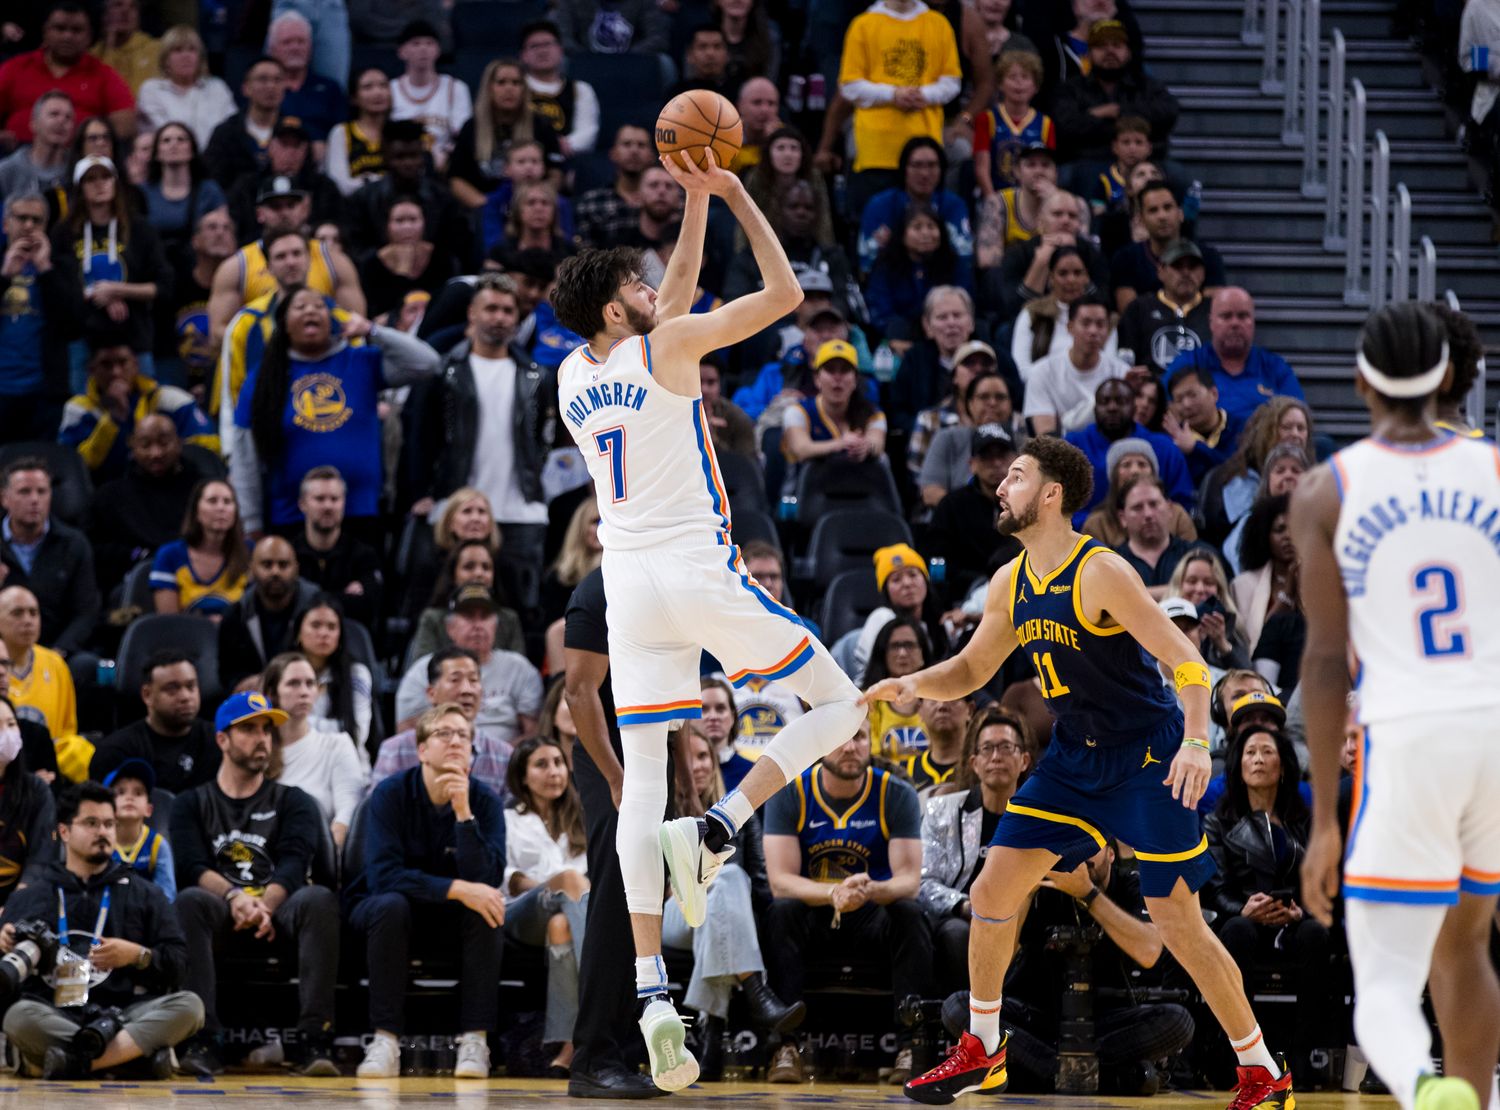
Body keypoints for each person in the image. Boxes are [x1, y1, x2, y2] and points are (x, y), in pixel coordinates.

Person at [550, 149, 869, 1090]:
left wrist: (691, 204)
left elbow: (673, 297)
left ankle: (653, 993)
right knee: (841, 707)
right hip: (695, 569)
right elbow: (785, 291)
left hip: (626, 582)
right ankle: (725, 824)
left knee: (642, 783)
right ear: (619, 306)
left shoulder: (575, 372)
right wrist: (733, 195)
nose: (655, 286)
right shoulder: (671, 348)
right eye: (636, 284)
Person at [867, 436, 1295, 1108]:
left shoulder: (1101, 572)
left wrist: (1193, 740)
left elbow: (1184, 658)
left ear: (1050, 494)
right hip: (1073, 754)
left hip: (1147, 753)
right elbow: (975, 669)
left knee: (1177, 920)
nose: (1001, 487)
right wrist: (912, 683)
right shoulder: (1009, 580)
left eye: (1015, 476)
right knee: (992, 891)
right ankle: (983, 1047)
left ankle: (1261, 1068)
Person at [1293, 301, 1500, 1110]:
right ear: (1447, 377)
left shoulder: (1324, 490)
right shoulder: (1494, 470)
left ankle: (1424, 1088)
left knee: (1382, 975)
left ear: (1360, 380)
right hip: (1493, 725)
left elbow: (1319, 660)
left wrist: (1321, 821)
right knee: (1467, 945)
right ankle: (1477, 1103)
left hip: (1409, 731)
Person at [170, 691, 339, 1077]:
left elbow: (296, 863)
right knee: (189, 901)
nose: (262, 737)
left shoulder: (295, 801)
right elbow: (192, 865)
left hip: (277, 914)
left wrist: (264, 905)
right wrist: (235, 897)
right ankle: (203, 1038)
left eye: (267, 729)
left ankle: (315, 1039)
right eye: (248, 729)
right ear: (221, 740)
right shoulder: (190, 803)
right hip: (221, 911)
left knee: (318, 899)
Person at [761, 716, 929, 1085]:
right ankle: (785, 1047)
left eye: (860, 738)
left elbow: (909, 881)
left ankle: (909, 1046)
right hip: (816, 914)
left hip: (872, 913)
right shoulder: (791, 793)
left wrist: (869, 890)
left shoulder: (896, 793)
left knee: (910, 912)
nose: (851, 746)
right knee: (781, 911)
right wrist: (833, 893)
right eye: (840, 737)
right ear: (820, 744)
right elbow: (781, 881)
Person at [347, 702, 507, 1080]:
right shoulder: (389, 794)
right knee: (391, 904)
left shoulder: (485, 801)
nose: (455, 742)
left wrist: (463, 814)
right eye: (443, 734)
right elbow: (383, 876)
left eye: (463, 736)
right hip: (384, 911)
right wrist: (456, 888)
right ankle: (385, 1041)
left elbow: (487, 878)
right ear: (421, 750)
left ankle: (474, 1041)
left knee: (487, 907)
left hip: (448, 919)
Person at [0, 780, 200, 1079]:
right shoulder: (30, 897)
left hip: (126, 1013)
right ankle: (133, 1059)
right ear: (64, 831)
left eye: (109, 823)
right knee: (18, 1017)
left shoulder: (145, 894)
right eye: (91, 823)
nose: (103, 832)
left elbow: (180, 965)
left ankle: (66, 1063)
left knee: (190, 1007)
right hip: (56, 1013)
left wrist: (138, 956)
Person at [230, 288, 440, 537]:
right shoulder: (263, 378)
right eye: (300, 307)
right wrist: (251, 522)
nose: (310, 311)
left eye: (319, 306)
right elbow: (245, 456)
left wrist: (372, 331)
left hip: (361, 514)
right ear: (284, 323)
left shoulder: (361, 361)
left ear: (332, 320)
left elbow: (428, 363)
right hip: (290, 517)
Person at [660, 720, 799, 1082]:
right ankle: (756, 990)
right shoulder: (658, 810)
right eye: (690, 758)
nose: (699, 765)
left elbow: (758, 880)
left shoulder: (739, 813)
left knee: (726, 891)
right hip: (668, 916)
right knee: (724, 886)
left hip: (718, 919)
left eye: (704, 756)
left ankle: (711, 1036)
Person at [410, 273, 555, 596]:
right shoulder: (444, 372)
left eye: (507, 310)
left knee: (521, 611)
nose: (499, 317)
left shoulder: (537, 377)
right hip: (454, 505)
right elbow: (422, 436)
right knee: (448, 602)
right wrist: (422, 490)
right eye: (491, 309)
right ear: (472, 313)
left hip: (520, 508)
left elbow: (545, 438)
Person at [1202, 725, 1332, 1079]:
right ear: (1238, 765)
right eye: (1250, 752)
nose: (1258, 759)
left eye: (1267, 751)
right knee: (1237, 930)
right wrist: (1242, 909)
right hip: (1244, 921)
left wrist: (1300, 910)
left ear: (1284, 765)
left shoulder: (1306, 822)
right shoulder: (1217, 822)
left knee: (1315, 933)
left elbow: (1320, 882)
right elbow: (1216, 889)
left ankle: (1305, 1057)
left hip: (1292, 922)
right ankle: (1239, 1055)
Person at [919, 706, 1032, 992]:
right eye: (987, 749)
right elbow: (923, 882)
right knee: (956, 934)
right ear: (974, 762)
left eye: (1006, 748)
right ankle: (964, 1021)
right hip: (962, 917)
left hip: (1023, 918)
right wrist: (966, 906)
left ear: (1024, 760)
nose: (996, 757)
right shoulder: (941, 811)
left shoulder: (1039, 819)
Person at [503, 734, 589, 1076]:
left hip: (572, 914)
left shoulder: (581, 815)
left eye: (557, 763)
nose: (554, 771)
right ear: (523, 776)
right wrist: (555, 885)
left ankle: (570, 1047)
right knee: (569, 880)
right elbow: (509, 877)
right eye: (541, 764)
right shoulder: (508, 818)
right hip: (522, 911)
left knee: (562, 926)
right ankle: (604, 1004)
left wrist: (572, 890)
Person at [835, 0, 962, 218]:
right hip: (876, 149)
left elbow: (952, 82)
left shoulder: (938, 24)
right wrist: (893, 94)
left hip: (924, 145)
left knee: (924, 226)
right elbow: (849, 86)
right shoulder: (864, 24)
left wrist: (923, 95)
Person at [52, 156, 171, 373]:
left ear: (116, 182)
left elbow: (164, 286)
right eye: (90, 179)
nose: (100, 184)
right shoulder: (64, 232)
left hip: (133, 336)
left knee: (144, 404)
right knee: (83, 406)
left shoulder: (139, 229)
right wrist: (99, 295)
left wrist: (117, 290)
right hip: (83, 339)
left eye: (106, 177)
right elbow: (60, 289)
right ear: (79, 188)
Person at [394, 585, 543, 744]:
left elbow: (534, 733)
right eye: (469, 616)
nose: (478, 625)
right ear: (450, 628)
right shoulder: (422, 671)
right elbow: (407, 735)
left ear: (496, 626)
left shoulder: (520, 669)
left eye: (485, 616)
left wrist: (496, 758)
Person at [60, 336, 216, 483]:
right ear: (91, 370)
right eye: (106, 365)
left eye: (123, 362)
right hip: (106, 493)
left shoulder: (172, 401)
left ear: (136, 364)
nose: (116, 372)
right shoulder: (78, 409)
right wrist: (111, 421)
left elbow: (208, 450)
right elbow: (75, 468)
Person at [370, 646, 514, 799]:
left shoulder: (503, 755)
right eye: (455, 680)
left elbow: (514, 818)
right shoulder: (396, 750)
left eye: (473, 680)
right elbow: (374, 812)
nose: (467, 690)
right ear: (431, 693)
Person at [263, 651, 366, 849]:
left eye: (310, 684)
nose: (304, 691)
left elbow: (347, 815)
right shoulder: (259, 749)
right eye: (293, 683)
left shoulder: (337, 744)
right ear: (272, 693)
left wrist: (325, 862)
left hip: (316, 862)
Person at [0, 458, 100, 656]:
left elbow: (86, 612)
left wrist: (59, 652)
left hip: (58, 649)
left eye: (42, 491)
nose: (35, 499)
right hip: (2, 651)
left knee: (86, 666)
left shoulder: (74, 544)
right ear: (4, 498)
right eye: (24, 492)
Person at [0, 192, 79, 444]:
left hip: (45, 393)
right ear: (5, 223)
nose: (29, 226)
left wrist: (45, 269)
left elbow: (74, 325)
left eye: (37, 220)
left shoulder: (61, 266)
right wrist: (4, 277)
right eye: (21, 218)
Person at [0, 2, 135, 145]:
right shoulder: (16, 67)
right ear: (45, 32)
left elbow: (125, 126)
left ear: (89, 36)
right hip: (14, 156)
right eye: (60, 28)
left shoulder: (104, 74)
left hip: (78, 157)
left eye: (76, 30)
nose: (67, 36)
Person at [1164, 288, 1304, 425]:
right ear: (1211, 322)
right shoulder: (1188, 363)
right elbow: (1164, 410)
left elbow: (1297, 416)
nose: (1235, 323)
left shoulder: (1275, 368)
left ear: (1253, 322)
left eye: (1243, 316)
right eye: (1226, 316)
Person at [1051, 19, 1179, 166]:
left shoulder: (1146, 84)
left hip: (1144, 163)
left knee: (1178, 175)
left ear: (1128, 52)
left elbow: (1169, 113)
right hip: (1086, 162)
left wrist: (1117, 112)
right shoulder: (1071, 88)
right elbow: (1065, 127)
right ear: (1089, 54)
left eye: (1116, 45)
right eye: (1101, 46)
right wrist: (1107, 117)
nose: (1110, 51)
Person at [90, 650, 220, 792]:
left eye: (190, 686)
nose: (185, 696)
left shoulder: (221, 741)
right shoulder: (116, 752)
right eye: (172, 689)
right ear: (147, 695)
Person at [448, 59, 563, 211]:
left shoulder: (542, 125)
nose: (509, 89)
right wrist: (485, 206)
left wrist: (536, 202)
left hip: (533, 208)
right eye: (501, 82)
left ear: (524, 88)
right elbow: (456, 179)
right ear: (489, 88)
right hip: (483, 207)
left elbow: (556, 173)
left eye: (516, 83)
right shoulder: (472, 127)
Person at [858, 137, 974, 276]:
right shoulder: (879, 205)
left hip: (943, 285)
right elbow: (866, 261)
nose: (924, 174)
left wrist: (896, 242)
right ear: (904, 168)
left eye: (931, 165)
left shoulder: (954, 204)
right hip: (893, 285)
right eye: (917, 165)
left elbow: (965, 256)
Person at [926, 422, 1022, 586]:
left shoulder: (1030, 503)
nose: (997, 463)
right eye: (987, 457)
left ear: (1016, 460)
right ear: (972, 464)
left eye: (1003, 455)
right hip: (964, 595)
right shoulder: (951, 506)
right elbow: (938, 563)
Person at [216, 535, 316, 689]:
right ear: (252, 568)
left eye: (283, 565)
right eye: (267, 565)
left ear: (296, 568)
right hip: (256, 698)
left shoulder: (316, 608)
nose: (275, 572)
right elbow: (228, 676)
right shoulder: (236, 614)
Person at [1110, 182, 1227, 312]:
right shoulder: (1125, 259)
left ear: (1180, 213)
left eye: (1168, 208)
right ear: (1141, 219)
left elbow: (1214, 313)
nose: (1162, 216)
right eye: (1153, 210)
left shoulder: (1208, 257)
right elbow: (1130, 316)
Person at [290, 466, 383, 630]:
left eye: (334, 499)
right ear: (302, 504)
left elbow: (371, 608)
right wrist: (344, 598)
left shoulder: (364, 556)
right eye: (319, 499)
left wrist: (304, 597)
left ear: (344, 503)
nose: (328, 506)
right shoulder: (289, 555)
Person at [1022, 294, 1128, 436]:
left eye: (1100, 324)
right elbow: (1046, 436)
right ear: (1070, 327)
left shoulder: (1122, 373)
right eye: (1085, 323)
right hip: (1061, 453)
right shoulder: (1041, 372)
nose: (1093, 331)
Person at [407, 540, 524, 664]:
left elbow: (518, 669)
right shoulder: (432, 618)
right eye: (469, 566)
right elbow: (422, 668)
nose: (479, 573)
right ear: (453, 574)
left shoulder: (509, 619)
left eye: (486, 567)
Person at [148, 478, 249, 617]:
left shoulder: (251, 552)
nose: (221, 507)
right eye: (212, 501)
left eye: (227, 501)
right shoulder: (169, 555)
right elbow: (169, 624)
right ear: (196, 511)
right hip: (185, 637)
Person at [1116, 238, 1213, 381]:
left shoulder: (1215, 310)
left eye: (1192, 267)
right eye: (1177, 266)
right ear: (1161, 270)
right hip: (1151, 394)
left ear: (1203, 273)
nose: (1186, 273)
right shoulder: (1139, 308)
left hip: (1204, 392)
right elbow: (1125, 362)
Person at [1078, 433, 1197, 545]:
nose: (1135, 471)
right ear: (1114, 475)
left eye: (1142, 464)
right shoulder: (1097, 524)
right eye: (1126, 464)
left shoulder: (1177, 515)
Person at [290, 592, 372, 752]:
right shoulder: (283, 672)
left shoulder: (357, 674)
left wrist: (297, 726)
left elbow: (357, 733)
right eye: (315, 625)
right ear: (299, 632)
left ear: (340, 636)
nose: (324, 633)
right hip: (295, 762)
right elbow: (277, 729)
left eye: (332, 627)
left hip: (346, 763)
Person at [136, 26, 237, 149]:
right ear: (165, 59)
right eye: (177, 50)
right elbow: (165, 133)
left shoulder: (217, 88)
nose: (186, 56)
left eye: (192, 50)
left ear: (200, 57)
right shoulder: (152, 90)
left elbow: (232, 129)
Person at [203, 56, 289, 192]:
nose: (271, 86)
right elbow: (213, 183)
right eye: (263, 79)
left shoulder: (295, 133)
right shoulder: (225, 134)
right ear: (245, 88)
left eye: (277, 80)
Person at [0, 693, 56, 904]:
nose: (6, 733)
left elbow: (40, 860)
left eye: (11, 724)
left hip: (17, 909)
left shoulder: (36, 790)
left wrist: (13, 909)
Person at [521, 19, 599, 156]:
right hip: (521, 158)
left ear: (560, 50)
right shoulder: (515, 86)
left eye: (547, 44)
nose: (542, 51)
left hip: (566, 158)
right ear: (523, 55)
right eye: (534, 46)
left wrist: (555, 146)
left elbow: (588, 132)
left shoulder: (580, 89)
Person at [265, 12, 345, 143]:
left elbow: (342, 135)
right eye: (287, 42)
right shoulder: (263, 90)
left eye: (301, 42)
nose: (295, 48)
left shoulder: (331, 90)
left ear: (311, 47)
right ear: (272, 49)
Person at [1166, 548, 1250, 672]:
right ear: (1179, 585)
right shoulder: (1162, 619)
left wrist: (1222, 644)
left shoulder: (1233, 626)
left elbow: (1249, 677)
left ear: (1219, 589)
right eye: (1192, 581)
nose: (1200, 589)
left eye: (1209, 583)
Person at [861, 616, 934, 757]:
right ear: (883, 654)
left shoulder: (941, 700)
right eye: (895, 646)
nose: (902, 653)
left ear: (922, 653)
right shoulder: (866, 700)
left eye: (909, 645)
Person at [104, 758, 175, 898]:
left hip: (148, 914)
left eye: (138, 793)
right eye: (121, 792)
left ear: (149, 809)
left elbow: (167, 896)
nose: (129, 797)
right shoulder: (101, 842)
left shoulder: (157, 845)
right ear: (107, 806)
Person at [1113, 475, 1194, 596]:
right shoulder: (1111, 563)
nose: (1148, 514)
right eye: (1137, 507)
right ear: (1123, 518)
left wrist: (1132, 595)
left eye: (1154, 504)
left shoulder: (1196, 556)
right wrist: (1181, 592)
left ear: (1170, 509)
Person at [1165, 363, 1245, 486]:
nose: (1187, 404)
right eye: (1179, 400)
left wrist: (1195, 448)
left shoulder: (1243, 428)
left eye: (1192, 395)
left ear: (1214, 394)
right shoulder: (1173, 439)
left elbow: (1238, 473)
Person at [576, 124, 653, 250]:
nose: (634, 151)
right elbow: (586, 256)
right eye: (627, 144)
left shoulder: (670, 199)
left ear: (651, 155)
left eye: (641, 145)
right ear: (613, 154)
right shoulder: (592, 203)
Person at [325, 67, 391, 196]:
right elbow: (340, 183)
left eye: (383, 86)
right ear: (354, 97)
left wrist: (366, 180)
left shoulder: (402, 130)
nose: (378, 92)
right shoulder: (341, 132)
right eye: (368, 87)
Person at [0, 92, 75, 202]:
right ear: (34, 123)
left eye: (68, 117)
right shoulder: (7, 171)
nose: (62, 121)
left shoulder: (76, 170)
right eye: (54, 114)